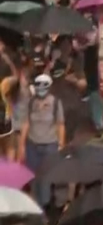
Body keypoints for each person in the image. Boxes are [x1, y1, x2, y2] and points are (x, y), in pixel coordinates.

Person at [16, 73, 65, 205]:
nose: (41, 88)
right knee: (33, 179)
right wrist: (21, 146)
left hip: (50, 146)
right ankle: (37, 205)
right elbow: (26, 123)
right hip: (32, 146)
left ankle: (44, 208)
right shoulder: (31, 102)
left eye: (44, 85)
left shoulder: (55, 102)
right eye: (38, 85)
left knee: (45, 180)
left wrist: (61, 144)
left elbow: (60, 124)